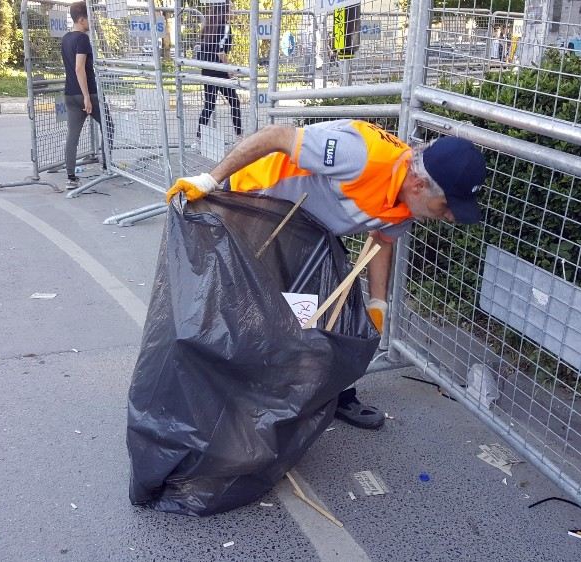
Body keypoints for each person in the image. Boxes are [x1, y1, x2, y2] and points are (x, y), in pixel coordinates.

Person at [166, 119, 487, 429]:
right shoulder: (360, 155)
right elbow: (276, 135)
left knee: (329, 309)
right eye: (446, 205)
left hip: (310, 229)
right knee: (250, 307)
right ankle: (227, 398)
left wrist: (378, 302)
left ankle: (332, 394)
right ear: (419, 184)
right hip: (255, 205)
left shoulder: (409, 204)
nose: (448, 217)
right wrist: (210, 179)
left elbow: (381, 241)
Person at [61, 1, 112, 190]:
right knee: (109, 126)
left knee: (72, 135)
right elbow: (79, 67)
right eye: (89, 18)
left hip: (69, 93)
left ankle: (71, 177)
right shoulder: (82, 39)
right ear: (81, 19)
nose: (91, 21)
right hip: (87, 92)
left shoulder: (65, 38)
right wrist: (87, 98)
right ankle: (108, 166)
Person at [195, 2, 242, 142]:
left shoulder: (208, 25)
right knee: (234, 102)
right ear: (225, 10)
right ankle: (239, 137)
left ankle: (198, 139)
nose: (234, 11)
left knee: (209, 105)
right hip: (219, 70)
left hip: (207, 70)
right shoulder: (225, 26)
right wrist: (230, 71)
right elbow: (220, 51)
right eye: (232, 8)